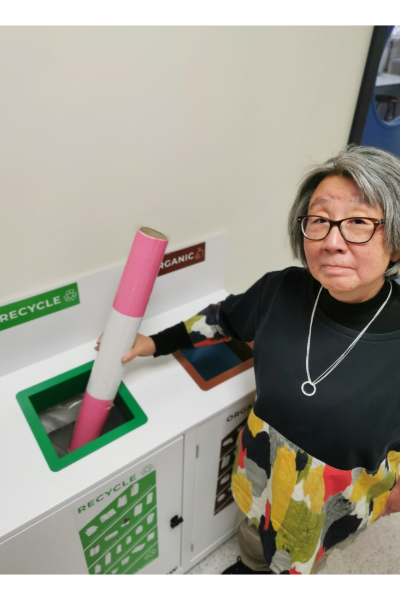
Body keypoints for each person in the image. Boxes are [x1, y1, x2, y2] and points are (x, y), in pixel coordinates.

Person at [96, 145, 400, 574]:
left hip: (334, 500)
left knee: (302, 561)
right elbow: (222, 318)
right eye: (319, 220)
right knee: (255, 540)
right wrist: (153, 343)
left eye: (358, 222)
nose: (333, 241)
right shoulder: (282, 290)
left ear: (397, 243)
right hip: (263, 464)